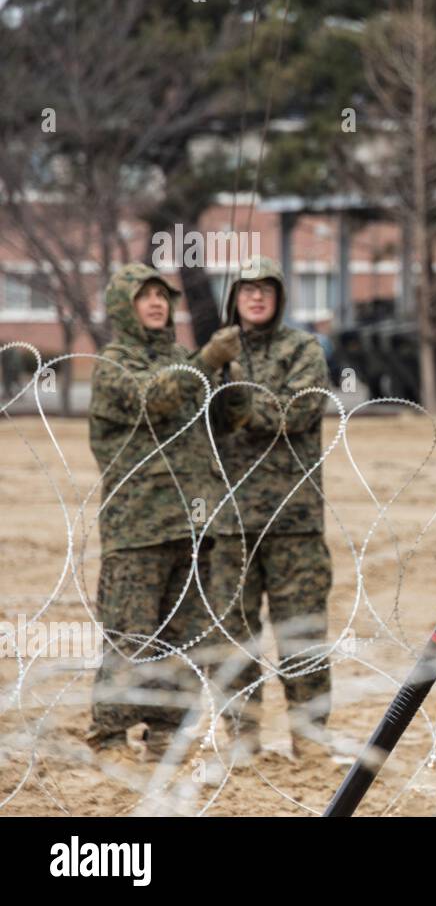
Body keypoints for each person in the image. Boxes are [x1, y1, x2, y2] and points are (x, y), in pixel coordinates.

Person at [87, 262, 242, 759]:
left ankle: (165, 733)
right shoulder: (114, 362)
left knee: (183, 638)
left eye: (162, 295)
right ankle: (110, 734)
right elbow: (153, 399)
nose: (157, 303)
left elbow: (225, 421)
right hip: (138, 526)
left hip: (193, 522)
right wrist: (204, 362)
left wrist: (229, 376)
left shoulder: (184, 358)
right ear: (123, 307)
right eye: (144, 296)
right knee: (130, 635)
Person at [208, 256, 333, 763]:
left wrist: (237, 400)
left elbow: (296, 411)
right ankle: (242, 733)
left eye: (266, 289)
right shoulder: (216, 354)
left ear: (279, 297)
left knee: (301, 633)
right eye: (246, 289)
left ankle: (310, 735)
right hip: (229, 521)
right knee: (233, 636)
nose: (256, 297)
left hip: (293, 519)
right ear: (233, 297)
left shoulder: (301, 349)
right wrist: (208, 367)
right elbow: (189, 413)